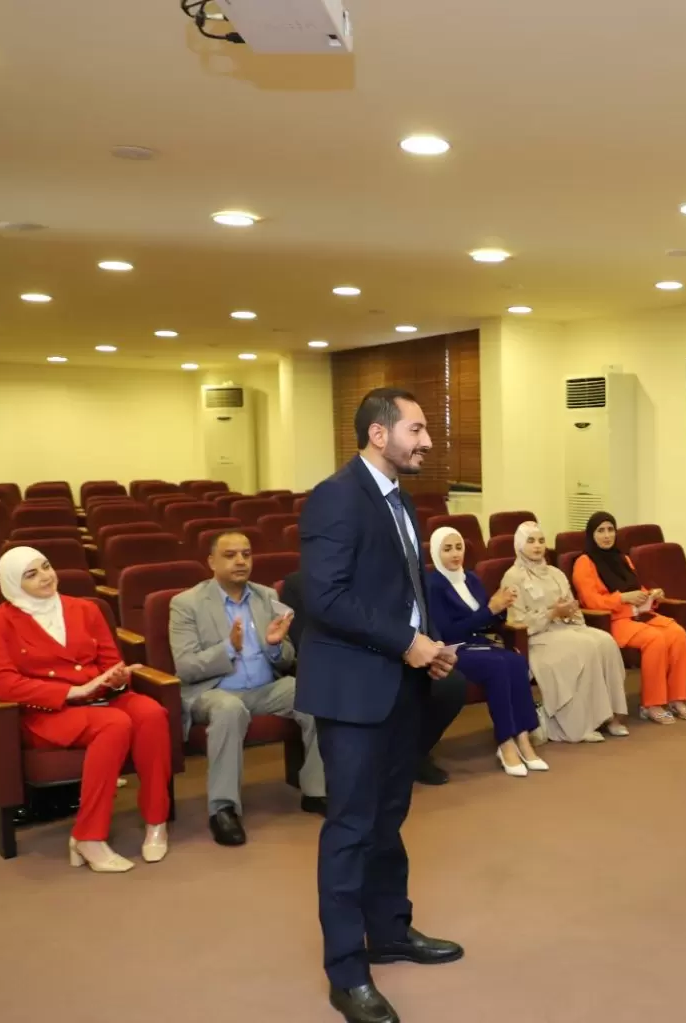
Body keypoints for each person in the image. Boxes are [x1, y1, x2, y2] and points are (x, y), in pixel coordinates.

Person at [295, 387, 463, 1023]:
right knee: (351, 829)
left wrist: (426, 645)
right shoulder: (337, 496)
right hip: (353, 690)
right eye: (416, 429)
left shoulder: (401, 497)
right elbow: (326, 598)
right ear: (378, 433)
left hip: (399, 682)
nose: (427, 441)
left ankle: (390, 930)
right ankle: (347, 973)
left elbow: (403, 589)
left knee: (389, 818)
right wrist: (406, 642)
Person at [0, 546, 171, 873]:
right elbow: (4, 684)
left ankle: (156, 822)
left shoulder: (85, 609)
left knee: (151, 713)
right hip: (48, 712)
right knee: (114, 724)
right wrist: (71, 691)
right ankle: (88, 836)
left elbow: (110, 663)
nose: (45, 576)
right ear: (12, 583)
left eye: (46, 566)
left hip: (102, 697)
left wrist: (116, 678)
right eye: (31, 574)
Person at [168, 530, 326, 847]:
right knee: (229, 709)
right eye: (230, 555)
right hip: (213, 692)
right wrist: (229, 648)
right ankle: (223, 809)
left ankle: (316, 791)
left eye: (246, 554)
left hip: (265, 689)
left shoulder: (266, 597)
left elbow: (286, 657)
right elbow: (186, 667)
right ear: (211, 562)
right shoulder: (186, 604)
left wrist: (274, 645)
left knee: (316, 694)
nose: (240, 561)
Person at [282, 569, 466, 787]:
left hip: (399, 656)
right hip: (347, 666)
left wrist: (434, 645)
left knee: (450, 685)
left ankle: (412, 755)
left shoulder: (383, 574)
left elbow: (417, 617)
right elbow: (306, 642)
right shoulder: (300, 584)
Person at [424, 526, 548, 776]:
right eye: (447, 549)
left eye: (458, 547)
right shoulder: (432, 585)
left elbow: (488, 618)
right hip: (454, 650)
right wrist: (490, 609)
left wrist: (501, 606)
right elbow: (447, 632)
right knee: (498, 666)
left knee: (516, 661)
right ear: (436, 553)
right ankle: (505, 742)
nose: (455, 554)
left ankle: (524, 738)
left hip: (480, 644)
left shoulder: (470, 579)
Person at [502, 520, 630, 742]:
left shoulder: (556, 573)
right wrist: (551, 614)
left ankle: (611, 716)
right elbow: (518, 621)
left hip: (565, 627)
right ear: (520, 545)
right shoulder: (513, 577)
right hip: (537, 638)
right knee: (585, 647)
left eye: (541, 541)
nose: (537, 546)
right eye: (531, 541)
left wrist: (568, 612)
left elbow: (572, 608)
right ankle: (581, 724)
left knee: (605, 641)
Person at [571, 511, 686, 724]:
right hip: (613, 621)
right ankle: (651, 704)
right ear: (591, 535)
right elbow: (591, 601)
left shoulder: (623, 558)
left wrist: (652, 595)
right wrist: (621, 598)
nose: (607, 535)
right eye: (601, 531)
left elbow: (637, 588)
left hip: (639, 614)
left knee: (678, 634)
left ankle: (676, 698)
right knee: (655, 639)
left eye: (610, 530)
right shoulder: (584, 563)